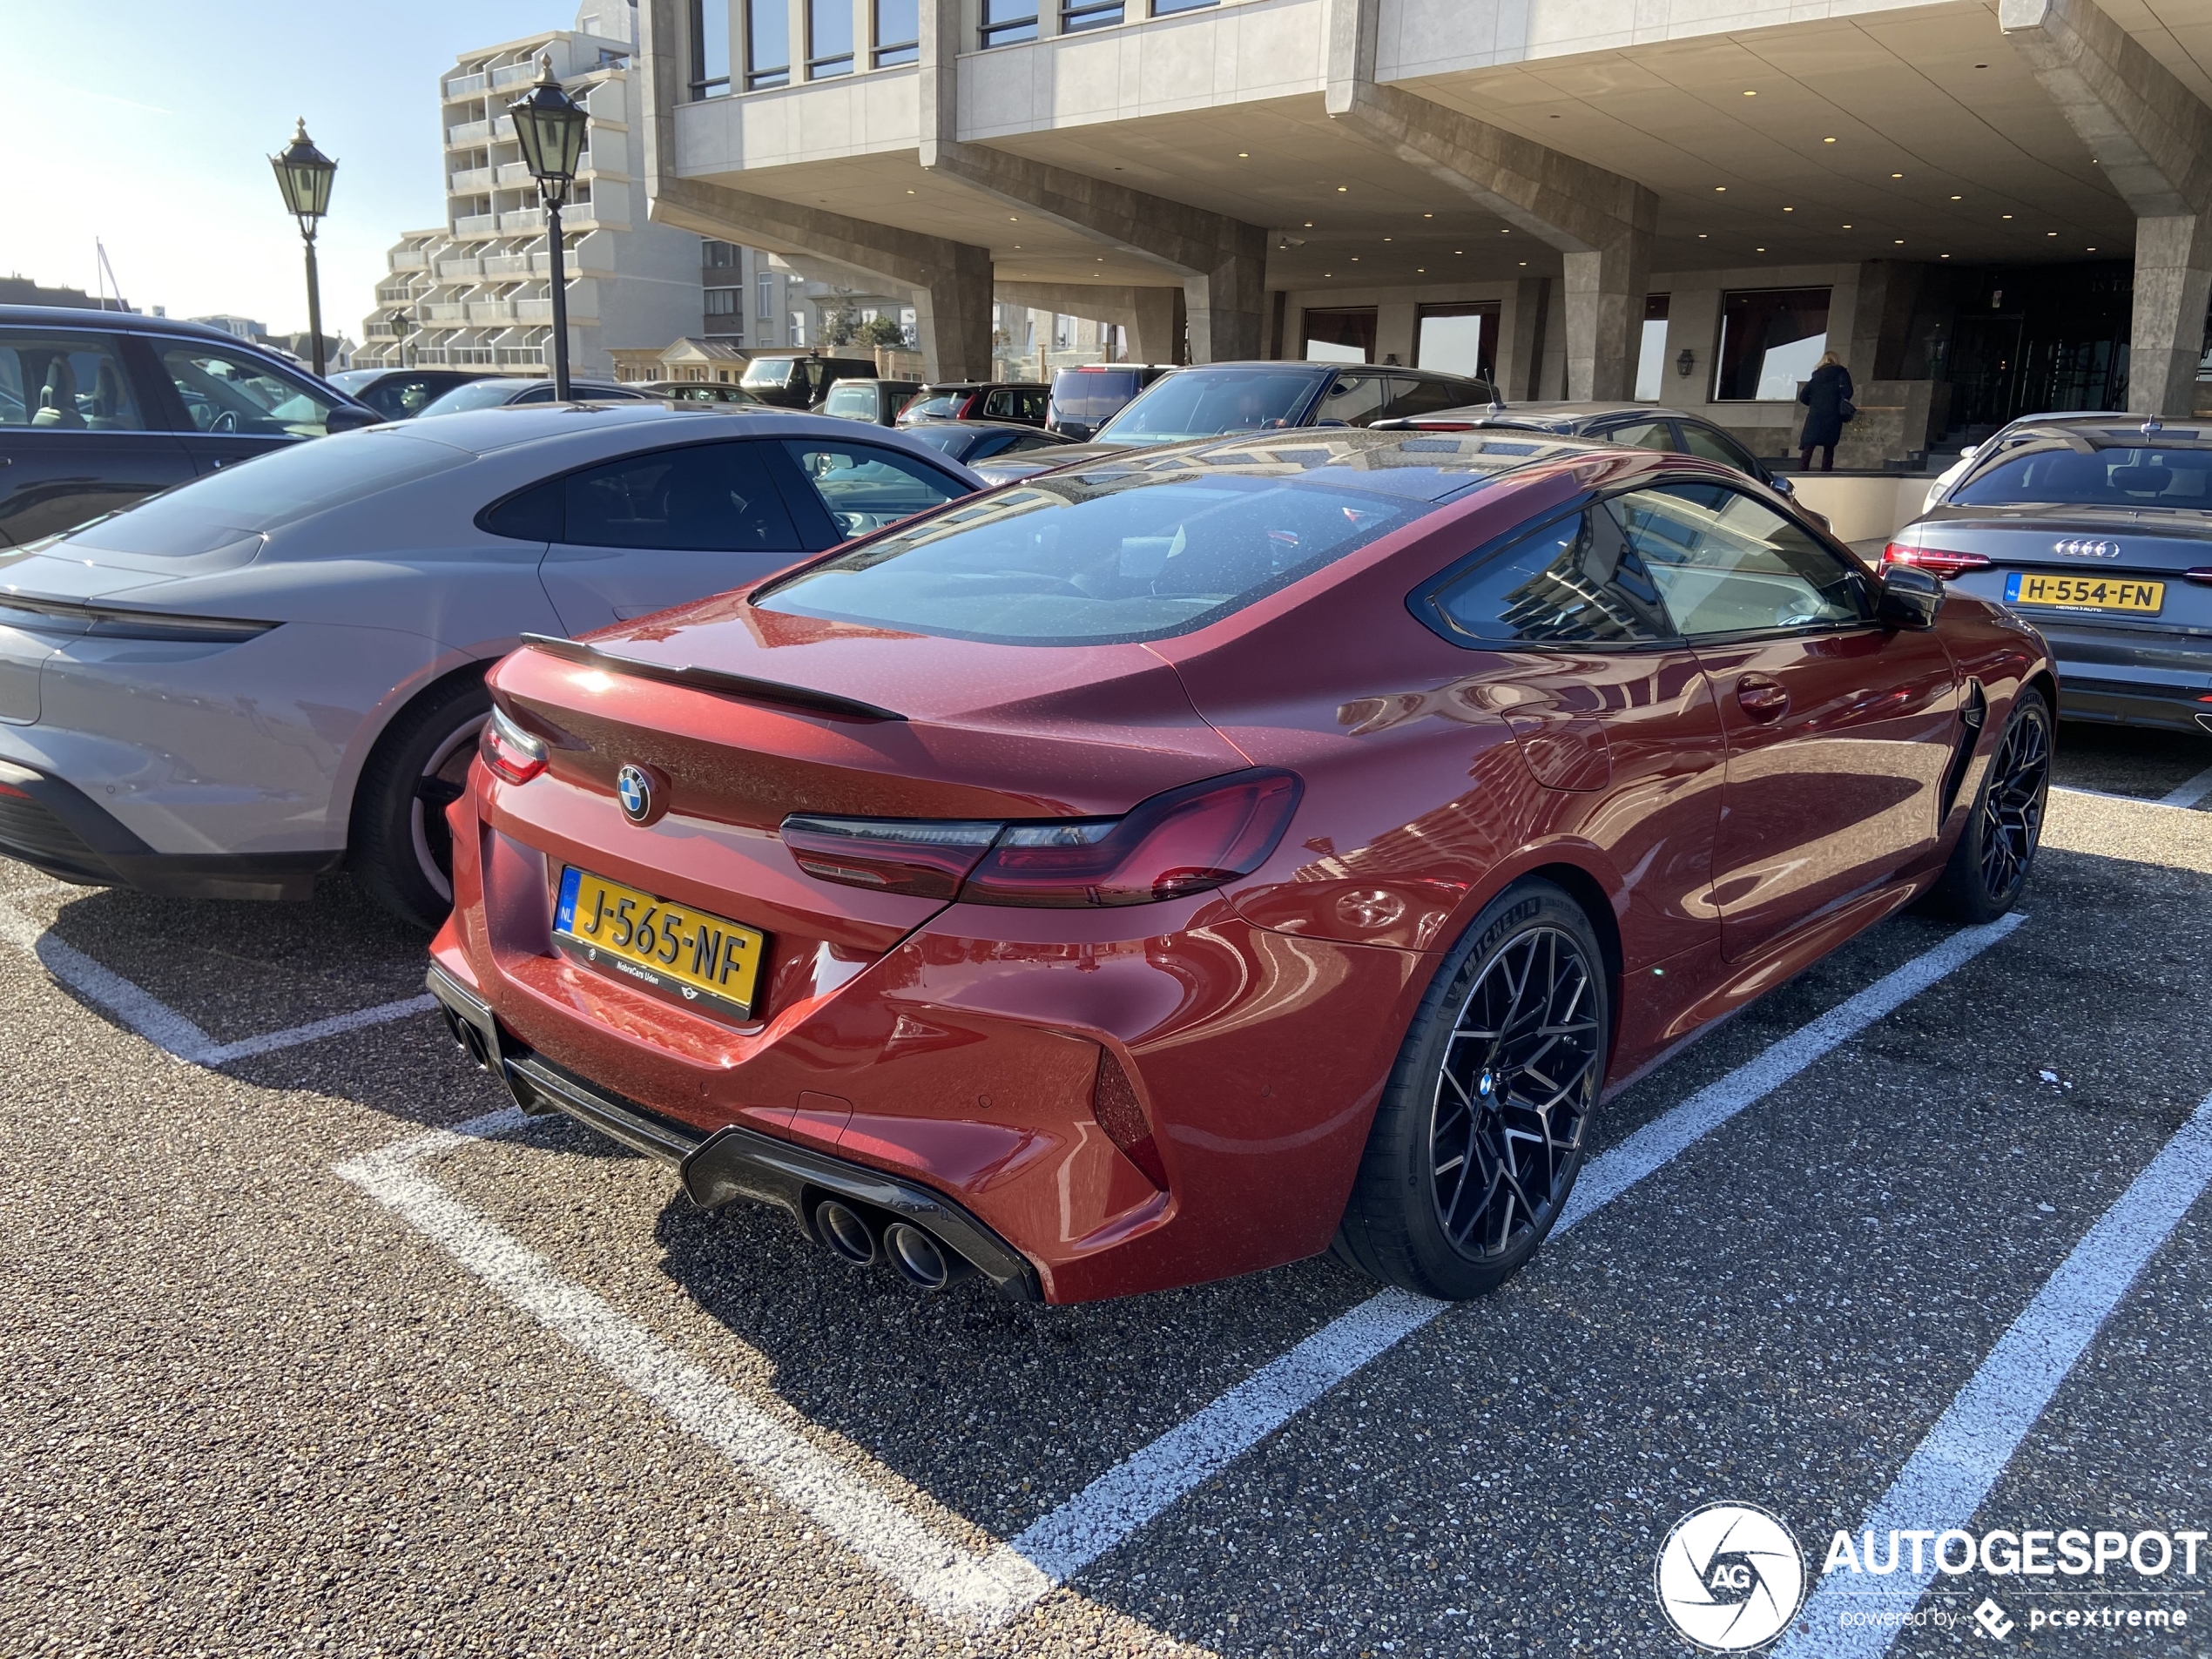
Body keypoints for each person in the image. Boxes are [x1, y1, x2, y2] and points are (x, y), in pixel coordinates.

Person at [1797, 352, 1853, 471]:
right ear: (1836, 360)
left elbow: (1803, 397)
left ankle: (1802, 472)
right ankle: (1826, 473)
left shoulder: (1816, 377)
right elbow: (1848, 392)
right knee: (1829, 447)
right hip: (1833, 414)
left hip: (1816, 415)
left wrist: (1814, 404)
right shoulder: (1841, 373)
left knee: (1809, 445)